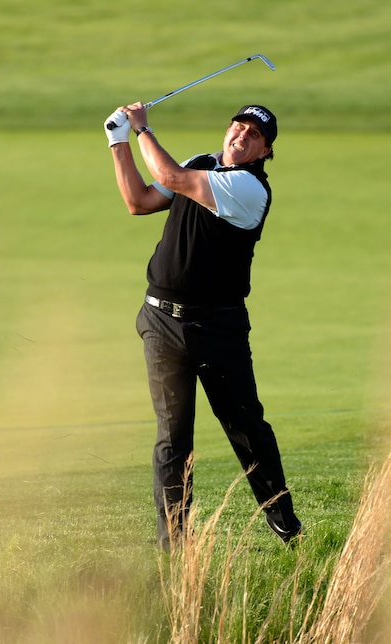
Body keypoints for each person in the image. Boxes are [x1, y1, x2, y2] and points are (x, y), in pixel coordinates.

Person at [105, 101, 302, 550]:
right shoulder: (201, 163)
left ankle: (284, 523)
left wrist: (141, 130)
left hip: (219, 328)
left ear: (265, 151)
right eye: (238, 126)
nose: (241, 136)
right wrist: (118, 141)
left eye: (254, 135)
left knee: (245, 427)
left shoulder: (250, 189)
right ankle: (173, 546)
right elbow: (139, 202)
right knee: (173, 438)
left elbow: (173, 179)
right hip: (161, 321)